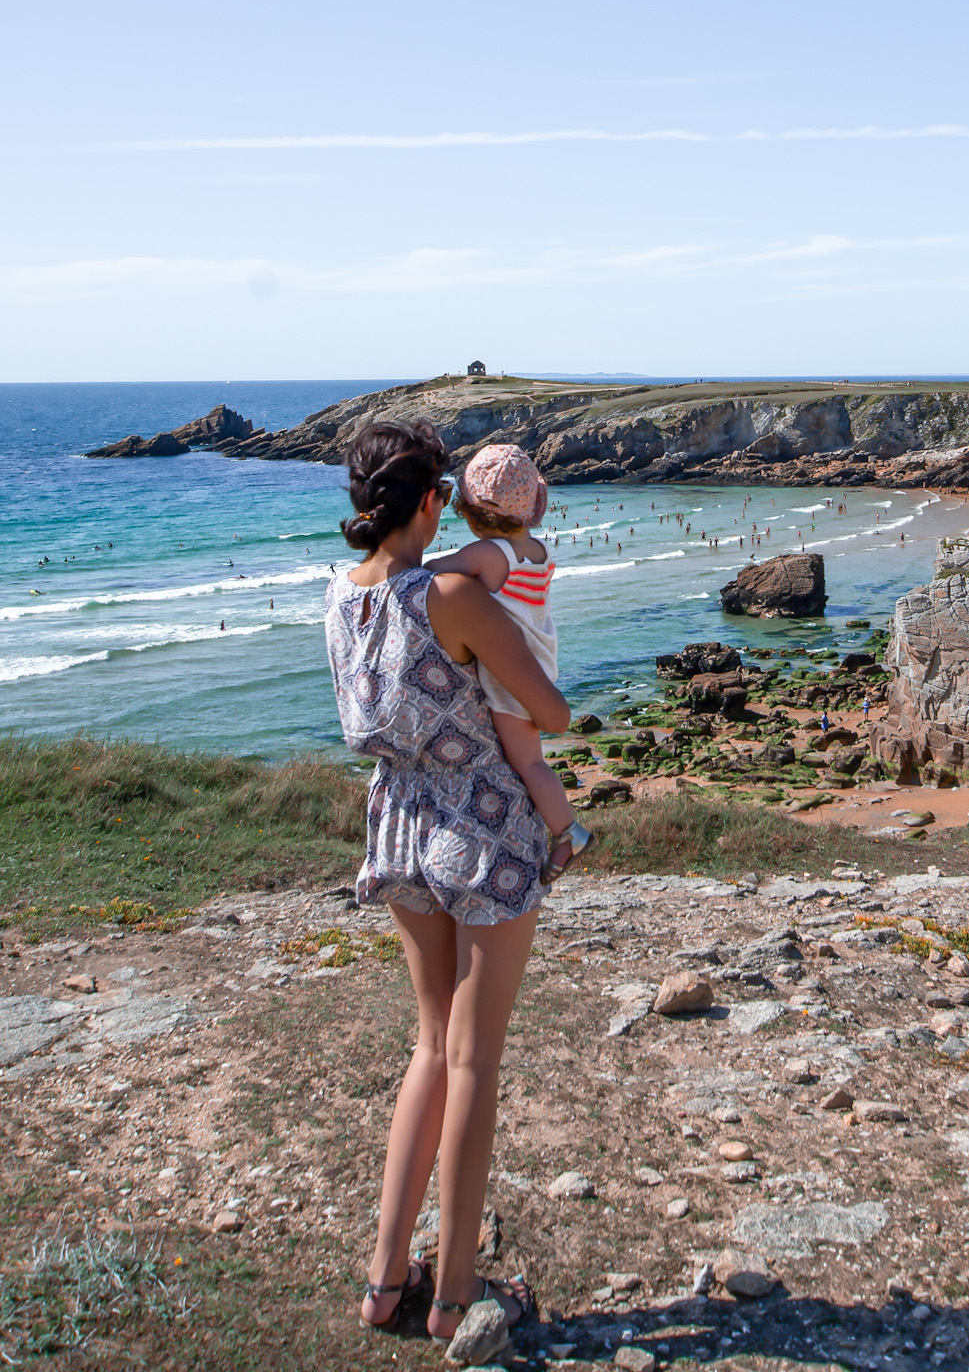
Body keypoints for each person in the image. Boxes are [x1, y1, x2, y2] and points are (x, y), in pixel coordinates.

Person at [323, 417, 571, 1343]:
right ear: (434, 500)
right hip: (483, 824)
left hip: (396, 822)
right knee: (473, 1058)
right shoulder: (452, 598)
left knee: (430, 1048)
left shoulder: (339, 597)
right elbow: (546, 708)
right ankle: (458, 1289)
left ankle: (385, 1279)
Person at [426, 443, 590, 884]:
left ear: (473, 513)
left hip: (510, 679)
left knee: (529, 763)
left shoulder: (488, 555)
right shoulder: (537, 551)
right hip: (540, 659)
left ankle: (568, 831)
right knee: (529, 757)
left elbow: (431, 571)